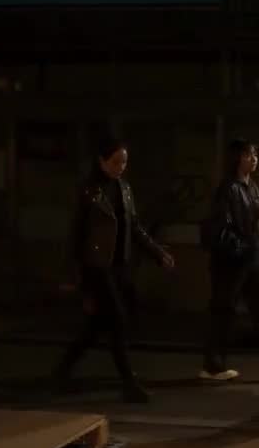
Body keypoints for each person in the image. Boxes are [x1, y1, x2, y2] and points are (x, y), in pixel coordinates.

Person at [54, 136, 175, 404]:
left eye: (124, 162)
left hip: (120, 266)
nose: (121, 167)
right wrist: (72, 276)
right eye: (116, 162)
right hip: (97, 268)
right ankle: (128, 383)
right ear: (101, 161)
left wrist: (158, 254)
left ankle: (61, 370)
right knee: (118, 320)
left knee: (97, 326)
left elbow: (135, 227)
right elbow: (75, 235)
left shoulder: (124, 189)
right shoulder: (89, 191)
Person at [199, 139, 259, 381]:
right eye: (247, 155)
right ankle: (213, 366)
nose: (253, 159)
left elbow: (256, 227)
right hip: (230, 261)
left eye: (255, 154)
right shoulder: (228, 189)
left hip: (250, 258)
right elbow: (221, 229)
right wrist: (245, 248)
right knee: (224, 310)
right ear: (236, 158)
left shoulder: (251, 187)